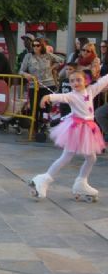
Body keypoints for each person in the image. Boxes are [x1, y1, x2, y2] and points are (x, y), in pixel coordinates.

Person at [30, 70, 108, 200]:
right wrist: (47, 97)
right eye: (72, 81)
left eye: (78, 80)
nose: (75, 83)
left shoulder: (91, 91)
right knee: (67, 156)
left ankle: (81, 182)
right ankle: (43, 179)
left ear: (86, 81)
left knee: (91, 158)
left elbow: (103, 81)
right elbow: (60, 96)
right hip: (76, 129)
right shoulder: (71, 95)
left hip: (88, 128)